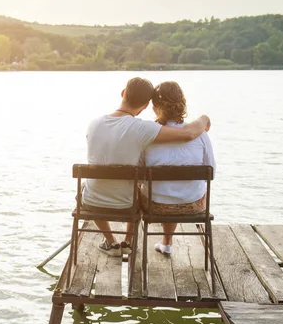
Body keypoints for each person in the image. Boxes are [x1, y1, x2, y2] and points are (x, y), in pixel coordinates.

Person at [82, 77, 211, 257]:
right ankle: (128, 240)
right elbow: (188, 134)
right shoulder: (143, 128)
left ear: (123, 93)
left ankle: (111, 242)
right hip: (129, 203)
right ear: (145, 105)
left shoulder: (93, 123)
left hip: (92, 200)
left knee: (86, 187)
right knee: (138, 189)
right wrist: (204, 119)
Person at [141, 80, 216, 255]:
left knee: (147, 188)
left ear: (154, 108)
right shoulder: (200, 135)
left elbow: (140, 172)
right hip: (192, 204)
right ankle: (166, 242)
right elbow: (211, 171)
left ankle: (130, 242)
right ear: (182, 104)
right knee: (179, 189)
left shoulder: (148, 135)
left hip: (155, 205)